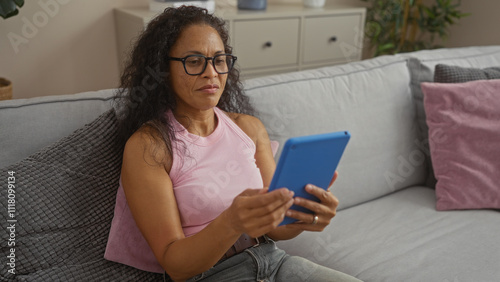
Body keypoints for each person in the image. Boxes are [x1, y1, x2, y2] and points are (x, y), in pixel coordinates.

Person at [106, 5, 362, 282]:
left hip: (273, 261)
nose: (211, 73)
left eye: (219, 60)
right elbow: (175, 265)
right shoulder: (150, 146)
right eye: (194, 61)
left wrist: (306, 217)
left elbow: (275, 228)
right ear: (163, 69)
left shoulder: (249, 128)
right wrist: (230, 222)